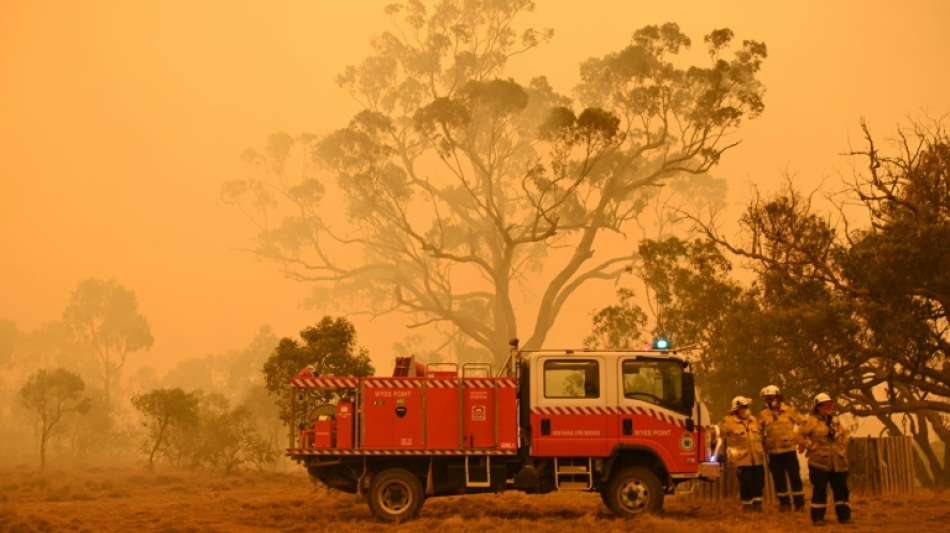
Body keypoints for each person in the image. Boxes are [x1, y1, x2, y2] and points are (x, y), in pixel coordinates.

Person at [798, 392, 851, 526]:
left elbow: (845, 435)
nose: (829, 407)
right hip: (819, 462)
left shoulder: (835, 420)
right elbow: (798, 436)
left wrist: (842, 448)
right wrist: (810, 445)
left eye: (830, 404)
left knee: (842, 490)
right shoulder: (810, 421)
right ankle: (818, 518)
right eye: (825, 405)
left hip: (837, 463)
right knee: (820, 490)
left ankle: (844, 517)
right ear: (817, 407)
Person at [759, 385, 806, 511]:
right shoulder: (763, 414)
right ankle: (784, 504)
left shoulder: (790, 410)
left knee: (795, 477)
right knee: (779, 479)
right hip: (773, 453)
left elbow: (804, 424)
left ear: (778, 397)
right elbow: (759, 432)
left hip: (789, 451)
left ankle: (799, 504)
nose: (769, 400)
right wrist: (762, 447)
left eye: (771, 398)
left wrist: (799, 440)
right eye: (767, 398)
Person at [721, 396, 766, 511]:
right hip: (742, 459)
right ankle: (747, 505)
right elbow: (720, 437)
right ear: (736, 409)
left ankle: (758, 504)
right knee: (746, 483)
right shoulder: (728, 422)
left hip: (757, 458)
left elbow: (761, 436)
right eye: (744, 407)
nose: (746, 409)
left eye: (747, 406)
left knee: (759, 482)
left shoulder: (754, 420)